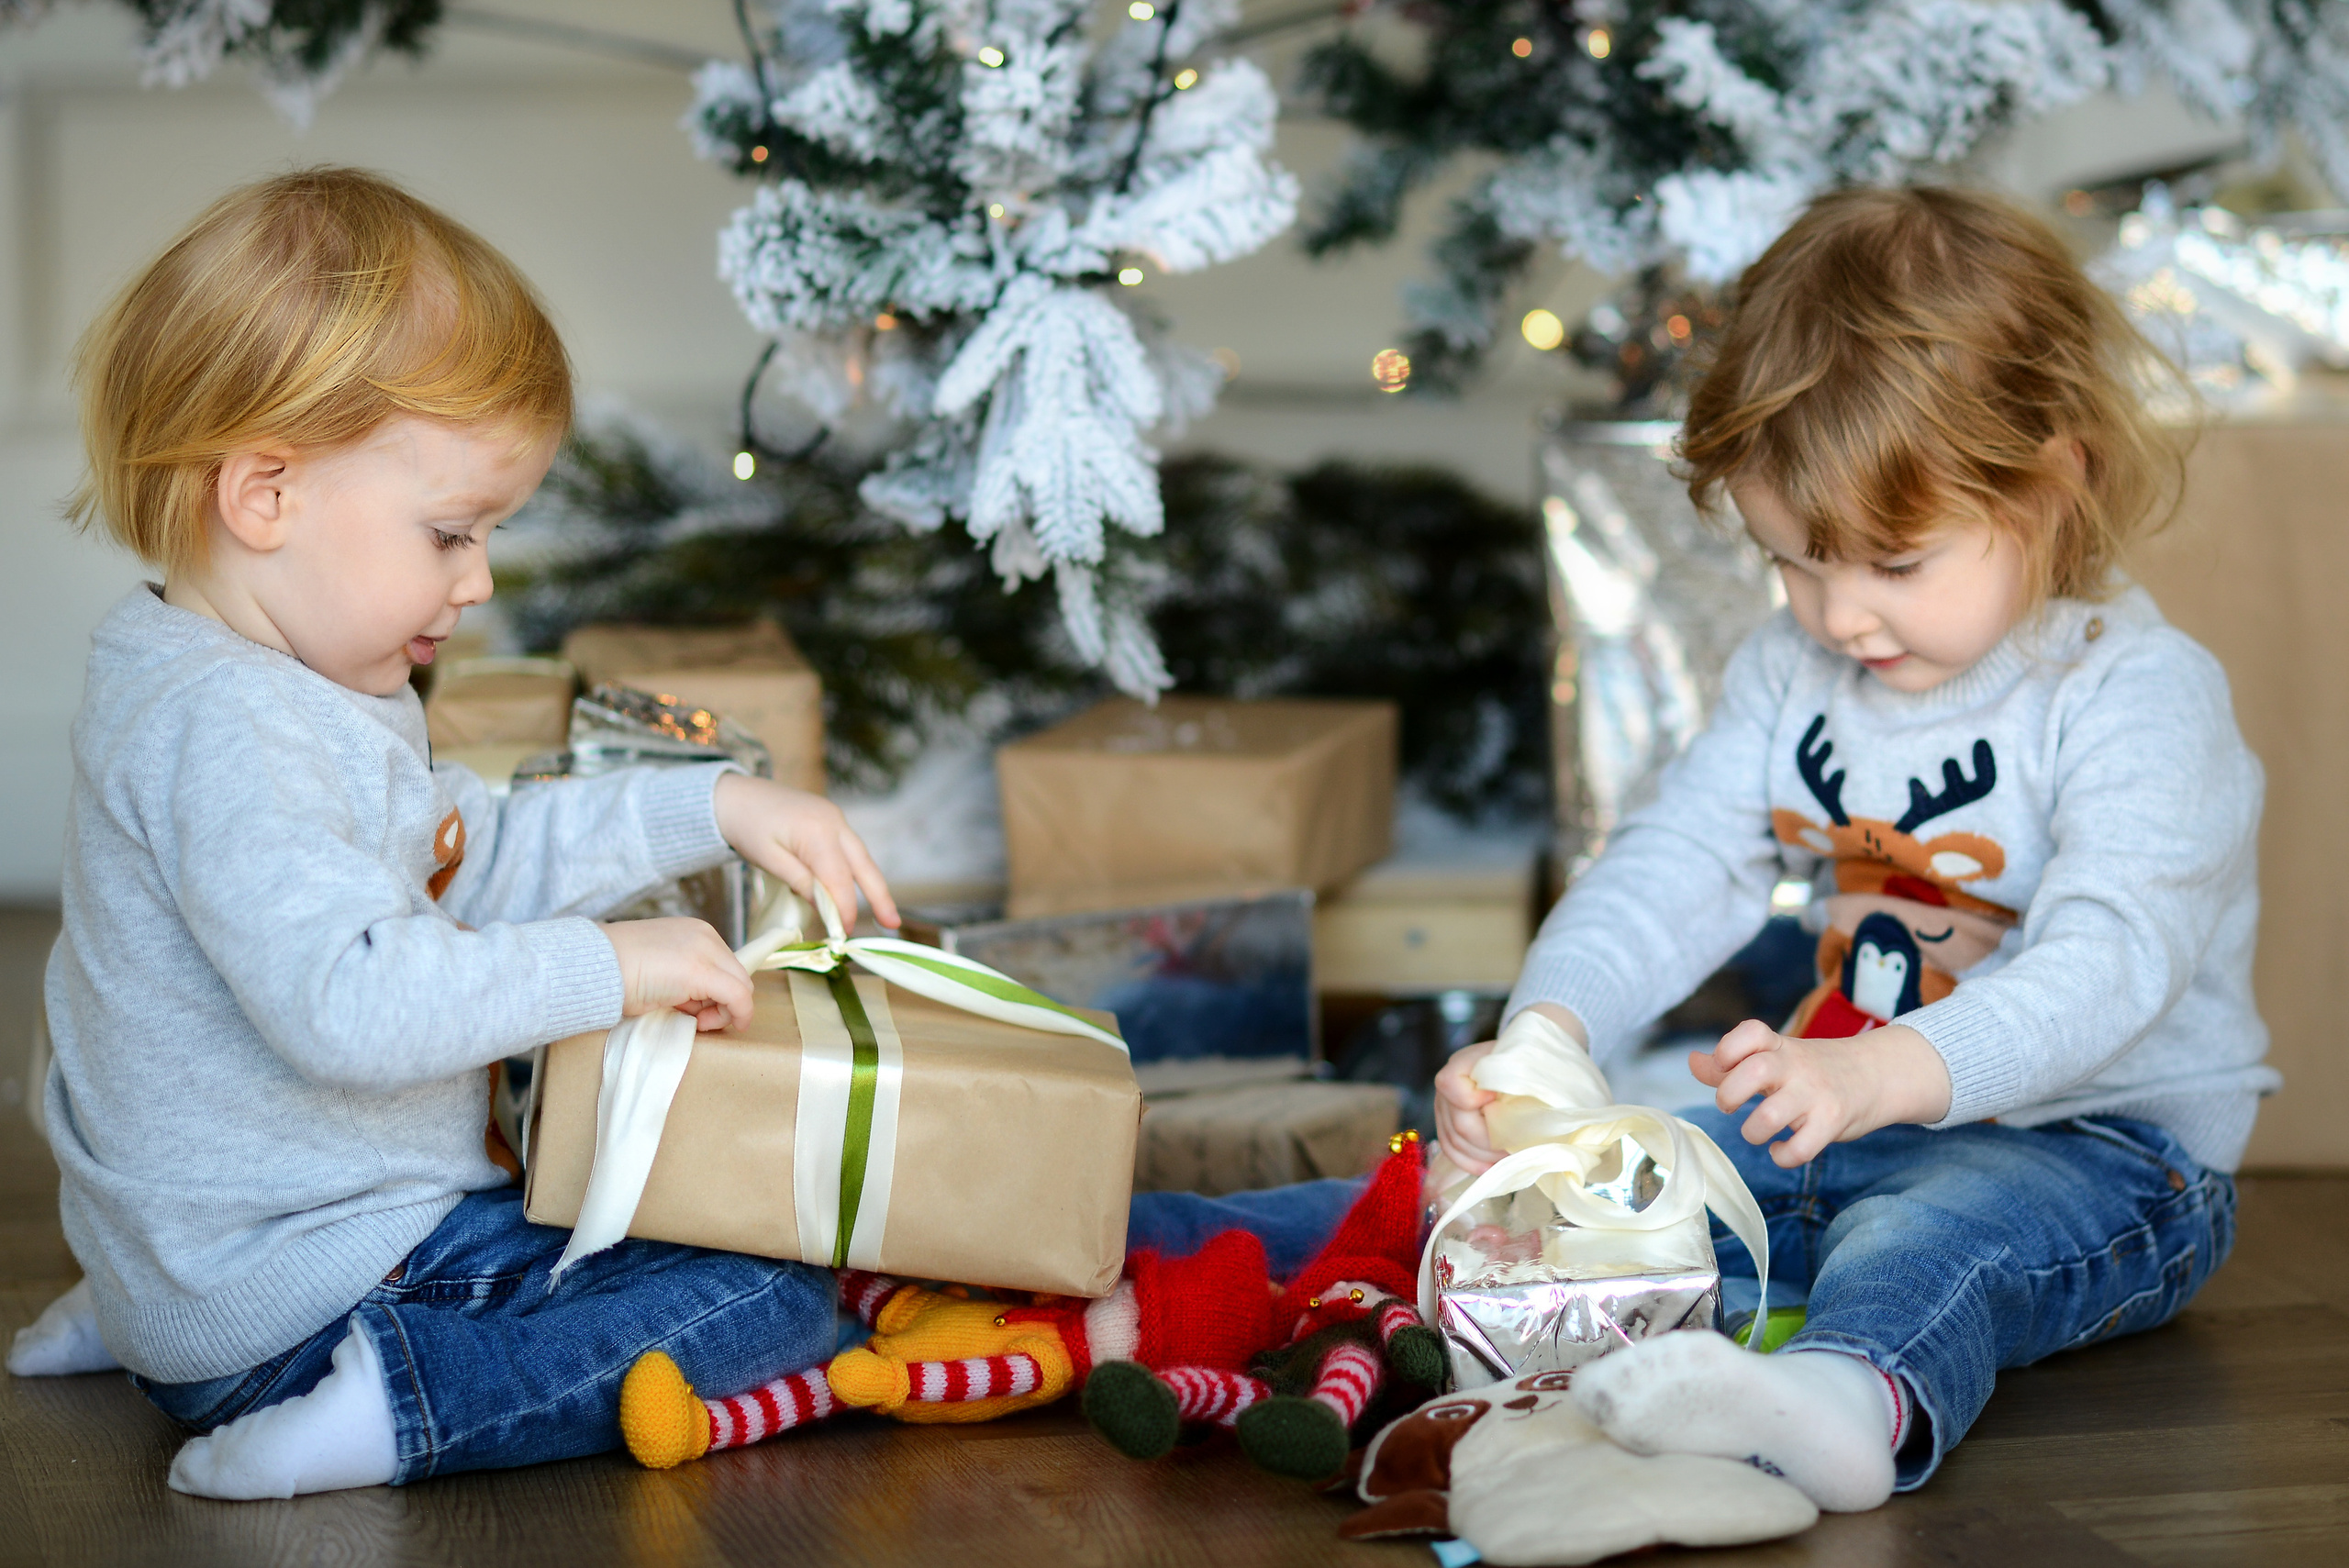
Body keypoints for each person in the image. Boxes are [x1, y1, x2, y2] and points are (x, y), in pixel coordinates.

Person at [43, 167, 899, 1498]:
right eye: (451, 532)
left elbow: (467, 856)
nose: (481, 578)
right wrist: (609, 967)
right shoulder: (239, 733)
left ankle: (155, 1299)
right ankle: (400, 1405)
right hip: (309, 1289)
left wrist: (709, 802)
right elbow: (350, 1003)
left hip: (217, 1249)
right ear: (263, 493)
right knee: (783, 1296)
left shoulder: (229, 671)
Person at [1435, 184, 2270, 1513]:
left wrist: (1882, 1069)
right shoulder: (1795, 669)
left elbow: (2115, 962)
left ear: (2055, 481)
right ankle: (1198, 1267)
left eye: (1892, 563)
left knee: (1927, 1237)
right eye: (1794, 563)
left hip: (2104, 1154)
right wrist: (1545, 1036)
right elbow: (1679, 858)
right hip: (1849, 1117)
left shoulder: (2137, 694)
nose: (1837, 617)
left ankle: (1841, 1401)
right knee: (1620, 1189)